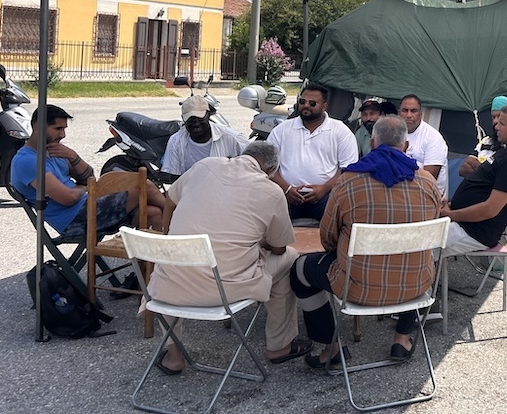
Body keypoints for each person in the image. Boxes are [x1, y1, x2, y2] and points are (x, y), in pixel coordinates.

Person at [146, 142, 311, 374]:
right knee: (291, 259)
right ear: (271, 170)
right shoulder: (271, 191)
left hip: (166, 289)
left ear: (242, 156)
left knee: (173, 267)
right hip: (223, 292)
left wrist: (168, 237)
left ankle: (173, 356)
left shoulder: (204, 165)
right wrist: (257, 242)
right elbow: (279, 248)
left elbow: (171, 201)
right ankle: (279, 345)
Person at [289, 115, 440, 367]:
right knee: (412, 257)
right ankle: (402, 339)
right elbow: (431, 229)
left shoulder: (348, 181)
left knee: (299, 270)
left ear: (372, 144)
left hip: (356, 288)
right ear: (406, 147)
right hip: (416, 285)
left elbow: (328, 238)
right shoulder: (427, 182)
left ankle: (331, 346)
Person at [10, 104, 165, 235]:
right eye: (58, 129)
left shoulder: (54, 150)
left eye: (64, 129)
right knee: (144, 186)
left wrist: (73, 157)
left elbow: (89, 176)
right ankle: (182, 222)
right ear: (38, 128)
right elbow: (68, 198)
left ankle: (152, 269)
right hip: (74, 220)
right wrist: (85, 188)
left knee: (153, 213)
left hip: (90, 206)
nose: (62, 135)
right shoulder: (27, 161)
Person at [440, 102, 507, 255]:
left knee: (418, 244)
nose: (496, 126)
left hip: (474, 231)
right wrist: (451, 205)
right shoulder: (506, 152)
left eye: (502, 123)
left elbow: (490, 210)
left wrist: (450, 215)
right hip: (461, 221)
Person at [267, 82, 358, 222]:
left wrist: (324, 188)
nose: (306, 106)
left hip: (326, 195)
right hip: (287, 194)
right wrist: (287, 188)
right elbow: (268, 166)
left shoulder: (340, 131)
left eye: (312, 103)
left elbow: (348, 169)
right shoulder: (282, 130)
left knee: (342, 219)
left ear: (324, 106)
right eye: (302, 101)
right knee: (267, 221)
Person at [162, 95, 249, 177]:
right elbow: (174, 177)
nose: (195, 122)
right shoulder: (176, 141)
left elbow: (252, 167)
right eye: (190, 119)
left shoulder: (232, 138)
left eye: (199, 117)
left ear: (208, 115)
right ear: (183, 119)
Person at [398, 94, 450, 197]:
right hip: (400, 192)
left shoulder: (433, 137)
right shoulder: (394, 133)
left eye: (413, 111)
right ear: (399, 113)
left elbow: (428, 179)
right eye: (405, 110)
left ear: (420, 114)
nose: (409, 115)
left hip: (427, 195)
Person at [458, 95, 507, 177]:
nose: (495, 121)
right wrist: (486, 170)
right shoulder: (486, 141)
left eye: (499, 116)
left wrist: (476, 165)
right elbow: (463, 169)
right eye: (493, 117)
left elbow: (501, 176)